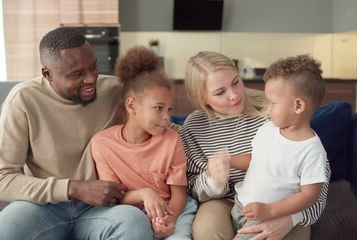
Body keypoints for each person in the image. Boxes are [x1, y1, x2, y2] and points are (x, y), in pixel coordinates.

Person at [0, 27, 153, 239]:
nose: (90, 79)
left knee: (134, 223)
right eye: (77, 74)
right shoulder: (23, 100)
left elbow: (162, 125)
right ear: (47, 73)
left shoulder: (117, 91)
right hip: (43, 206)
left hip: (104, 209)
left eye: (94, 67)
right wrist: (73, 188)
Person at [179, 51, 330, 240]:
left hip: (280, 203)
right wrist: (213, 182)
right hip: (225, 200)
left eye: (235, 82)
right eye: (220, 92)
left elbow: (316, 182)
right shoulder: (194, 127)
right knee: (208, 231)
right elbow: (189, 185)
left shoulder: (276, 108)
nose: (234, 95)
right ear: (202, 98)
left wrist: (291, 218)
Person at [91, 46, 197, 239]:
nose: (167, 117)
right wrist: (144, 194)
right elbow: (114, 197)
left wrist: (167, 220)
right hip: (129, 213)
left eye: (169, 109)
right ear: (132, 105)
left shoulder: (172, 139)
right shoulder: (102, 144)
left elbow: (179, 195)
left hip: (174, 211)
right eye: (158, 108)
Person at [223, 55, 328, 240]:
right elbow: (256, 160)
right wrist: (229, 160)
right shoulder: (267, 128)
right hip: (240, 205)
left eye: (273, 102)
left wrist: (271, 210)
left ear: (298, 105)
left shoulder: (312, 150)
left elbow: (310, 195)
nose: (268, 108)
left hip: (267, 214)